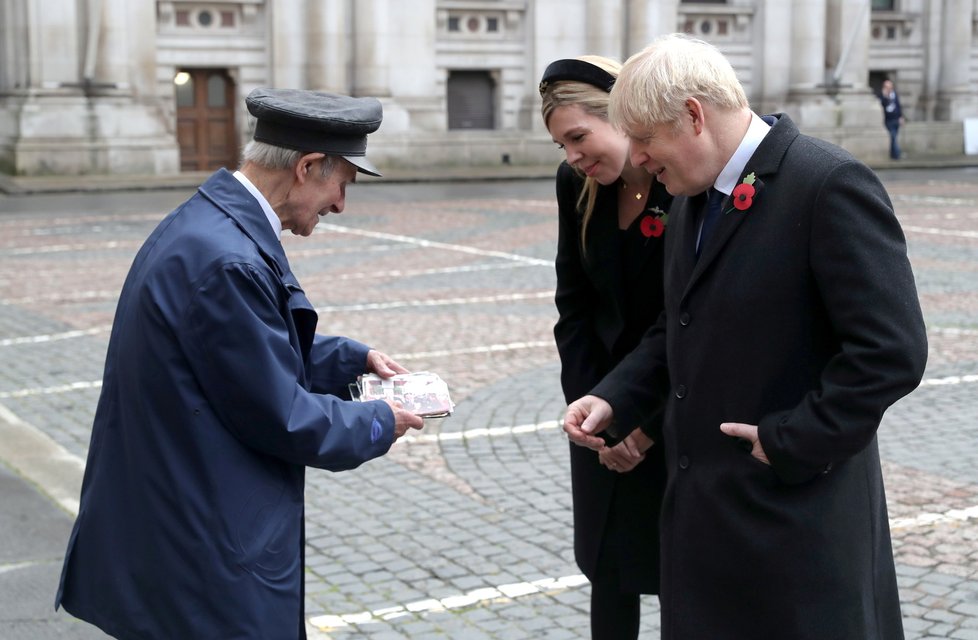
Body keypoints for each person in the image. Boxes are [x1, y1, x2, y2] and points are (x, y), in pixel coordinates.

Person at [562, 34, 927, 640]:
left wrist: (790, 440)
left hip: (795, 526)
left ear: (694, 116)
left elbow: (891, 352)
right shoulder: (691, 197)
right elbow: (675, 324)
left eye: (647, 141)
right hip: (703, 530)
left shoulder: (828, 183)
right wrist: (616, 395)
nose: (642, 161)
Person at [55, 88, 425, 639]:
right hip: (203, 543)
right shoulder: (227, 259)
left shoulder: (209, 225)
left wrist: (351, 361)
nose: (341, 205)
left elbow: (237, 345)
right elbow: (283, 417)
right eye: (341, 184)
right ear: (305, 168)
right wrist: (380, 417)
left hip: (177, 516)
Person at [539, 56, 672, 639]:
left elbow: (694, 325)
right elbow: (574, 307)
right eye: (562, 146)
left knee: (682, 572)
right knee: (609, 570)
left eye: (577, 137)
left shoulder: (681, 181)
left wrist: (643, 427)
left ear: (620, 117)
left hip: (672, 413)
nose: (572, 157)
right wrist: (595, 414)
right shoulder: (578, 184)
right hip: (599, 416)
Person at [879, 78, 905, 160]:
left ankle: (893, 154)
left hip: (896, 119)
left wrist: (901, 117)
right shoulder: (883, 96)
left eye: (890, 87)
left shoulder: (894, 95)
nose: (889, 89)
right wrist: (885, 96)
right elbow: (882, 105)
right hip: (889, 120)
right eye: (887, 87)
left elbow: (898, 106)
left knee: (894, 137)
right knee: (893, 136)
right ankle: (897, 154)